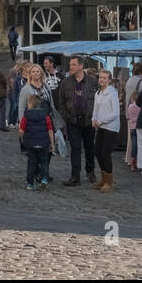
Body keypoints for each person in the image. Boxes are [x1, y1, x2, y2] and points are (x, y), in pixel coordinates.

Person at [55, 55, 98, 186]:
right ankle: (75, 176)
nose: (71, 67)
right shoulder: (66, 82)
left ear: (81, 66)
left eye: (73, 65)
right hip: (73, 121)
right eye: (70, 65)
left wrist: (95, 117)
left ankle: (90, 172)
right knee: (75, 148)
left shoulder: (92, 82)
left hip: (88, 121)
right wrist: (66, 117)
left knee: (90, 148)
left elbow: (98, 100)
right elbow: (61, 101)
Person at [91, 68, 120, 192]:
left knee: (105, 153)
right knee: (97, 151)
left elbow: (115, 112)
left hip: (111, 127)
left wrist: (102, 121)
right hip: (100, 126)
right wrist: (94, 119)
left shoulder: (112, 93)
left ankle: (109, 181)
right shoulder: (98, 93)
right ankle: (103, 178)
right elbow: (95, 109)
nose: (101, 80)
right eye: (100, 77)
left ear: (109, 80)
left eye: (104, 78)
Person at [20, 94, 54, 190]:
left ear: (30, 104)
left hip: (30, 144)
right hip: (43, 143)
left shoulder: (26, 116)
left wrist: (22, 139)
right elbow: (50, 131)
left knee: (31, 163)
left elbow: (21, 131)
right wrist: (52, 143)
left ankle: (30, 183)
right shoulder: (46, 116)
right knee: (44, 161)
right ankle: (44, 179)